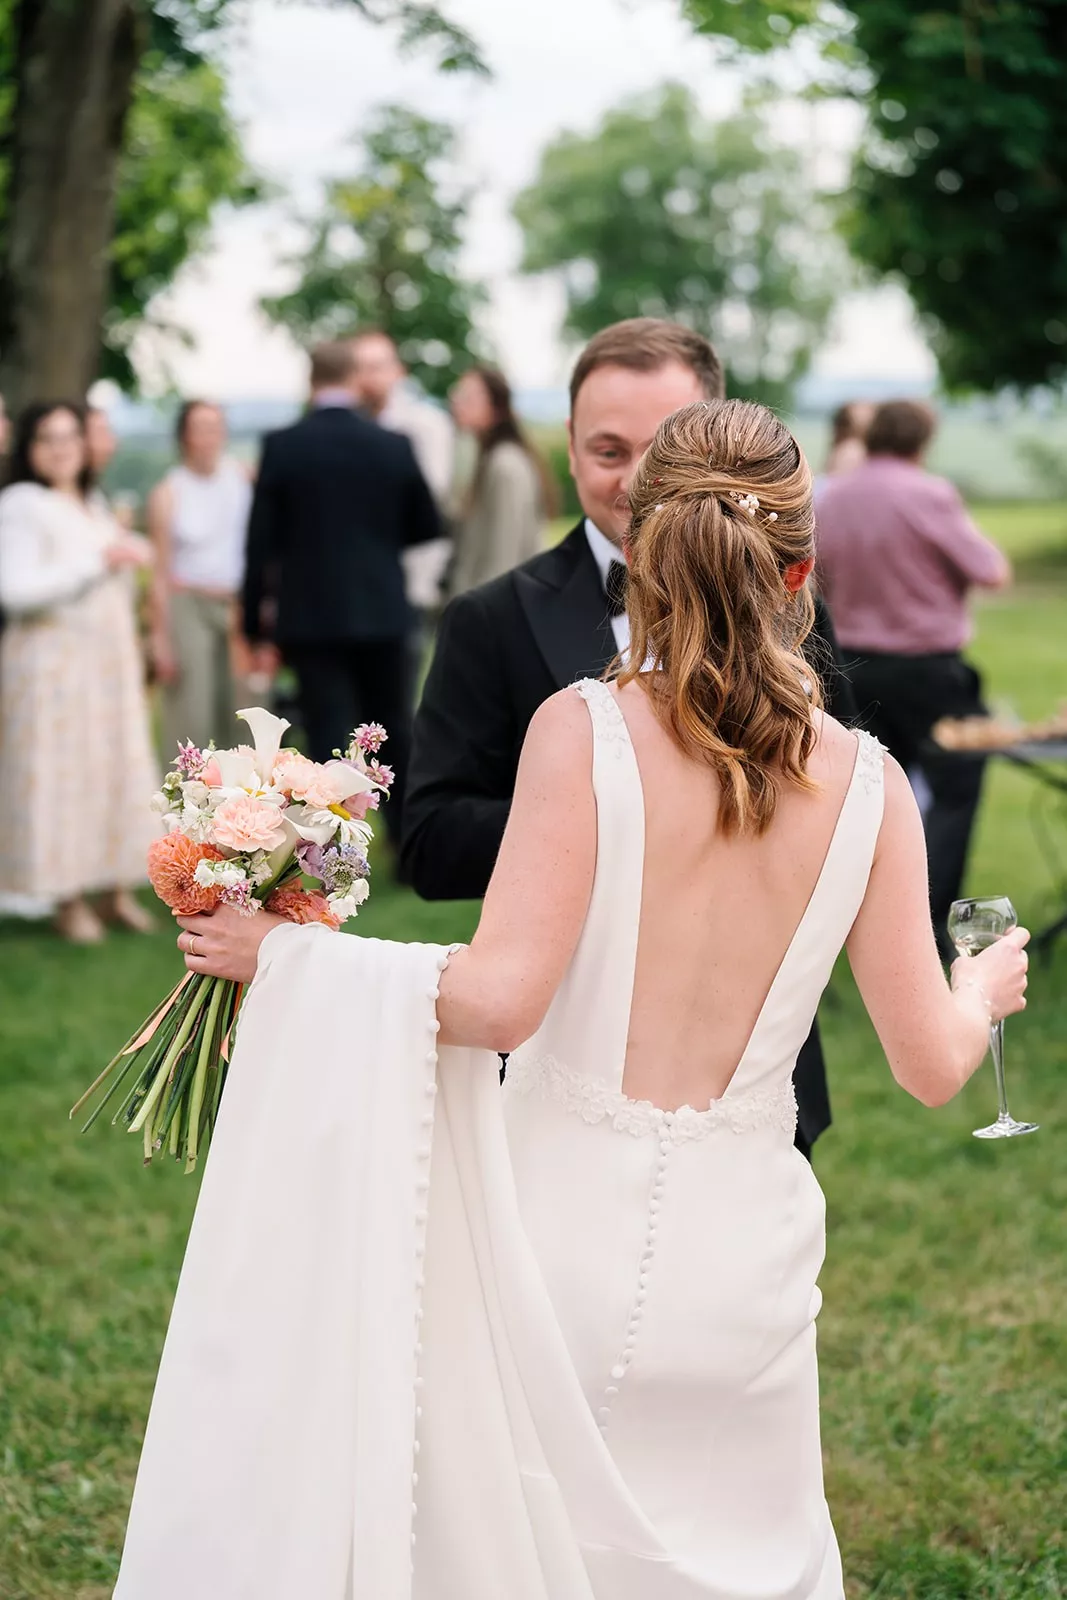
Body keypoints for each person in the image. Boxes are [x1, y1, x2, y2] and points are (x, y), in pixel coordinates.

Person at [114, 398, 1030, 1600]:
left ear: (639, 562)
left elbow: (495, 1000)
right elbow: (927, 1063)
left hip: (549, 1248)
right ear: (801, 570)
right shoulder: (865, 783)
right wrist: (977, 986)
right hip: (741, 1266)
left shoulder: (581, 732)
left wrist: (288, 958)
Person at [402, 317, 855, 1159]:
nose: (639, 482)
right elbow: (426, 843)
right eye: (609, 452)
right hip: (559, 1056)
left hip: (756, 1066)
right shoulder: (489, 620)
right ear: (568, 451)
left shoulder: (791, 609)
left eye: (667, 450)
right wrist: (601, 816)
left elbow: (836, 810)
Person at [815, 399, 1010, 958]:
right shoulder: (928, 494)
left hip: (851, 666)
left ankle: (863, 929)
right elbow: (991, 570)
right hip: (927, 669)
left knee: (870, 800)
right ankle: (929, 930)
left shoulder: (836, 496)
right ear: (923, 441)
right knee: (953, 790)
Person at [242, 341, 443, 840]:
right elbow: (427, 524)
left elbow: (258, 546)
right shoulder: (391, 443)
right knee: (393, 728)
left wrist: (252, 625)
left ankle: (329, 849)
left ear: (311, 383)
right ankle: (409, 840)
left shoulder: (283, 445)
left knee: (328, 732)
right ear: (354, 379)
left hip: (311, 614)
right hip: (382, 608)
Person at [0, 403, 158, 942]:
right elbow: (15, 590)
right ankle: (67, 898)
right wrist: (101, 563)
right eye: (48, 438)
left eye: (70, 436)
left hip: (104, 663)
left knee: (112, 768)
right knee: (65, 778)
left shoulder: (91, 501)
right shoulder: (22, 504)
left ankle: (115, 889)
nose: (62, 447)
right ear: (29, 448)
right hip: (53, 665)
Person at [146, 400, 253, 759]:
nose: (209, 437)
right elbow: (159, 572)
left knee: (242, 712)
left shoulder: (243, 477)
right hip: (188, 603)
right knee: (191, 716)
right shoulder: (168, 492)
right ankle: (183, 803)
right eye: (200, 428)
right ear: (184, 436)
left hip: (236, 603)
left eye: (215, 427)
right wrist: (159, 639)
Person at [350, 328, 455, 615]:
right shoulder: (347, 428)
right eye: (359, 369)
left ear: (398, 371)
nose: (367, 378)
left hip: (410, 577)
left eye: (376, 368)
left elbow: (432, 494)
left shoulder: (426, 425)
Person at [447, 365, 552, 595]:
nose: (456, 401)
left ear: (495, 407)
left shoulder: (506, 464)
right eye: (455, 393)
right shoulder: (486, 458)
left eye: (467, 395)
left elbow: (505, 554)